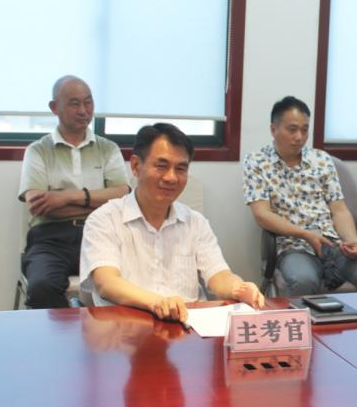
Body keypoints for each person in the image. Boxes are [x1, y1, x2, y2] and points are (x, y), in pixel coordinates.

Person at [81, 123, 263, 322]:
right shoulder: (104, 219)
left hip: (189, 327)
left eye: (180, 169)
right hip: (127, 329)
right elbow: (106, 283)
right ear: (135, 166)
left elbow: (218, 275)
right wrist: (157, 302)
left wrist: (238, 288)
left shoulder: (196, 222)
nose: (171, 177)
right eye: (161, 166)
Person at [243, 96, 357, 296]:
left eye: (304, 130)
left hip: (333, 244)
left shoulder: (321, 160)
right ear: (273, 129)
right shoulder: (256, 162)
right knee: (303, 281)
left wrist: (352, 239)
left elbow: (339, 210)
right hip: (293, 247)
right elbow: (262, 215)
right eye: (292, 129)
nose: (299, 137)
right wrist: (306, 234)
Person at [18, 75, 130, 308]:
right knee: (41, 287)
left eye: (88, 102)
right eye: (74, 103)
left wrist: (65, 197)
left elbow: (121, 196)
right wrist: (99, 198)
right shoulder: (38, 150)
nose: (83, 111)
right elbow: (39, 206)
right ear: (54, 107)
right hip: (50, 238)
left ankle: (103, 330)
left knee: (131, 281)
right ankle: (67, 327)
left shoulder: (108, 148)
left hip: (101, 232)